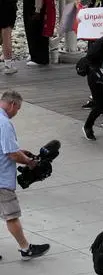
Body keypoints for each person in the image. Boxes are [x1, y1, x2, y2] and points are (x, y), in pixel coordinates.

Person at [0, 91, 50, 260]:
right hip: (1, 179)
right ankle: (26, 249)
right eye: (18, 109)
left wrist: (21, 152)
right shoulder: (4, 123)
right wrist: (29, 161)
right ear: (12, 104)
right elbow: (12, 154)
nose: (17, 113)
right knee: (12, 216)